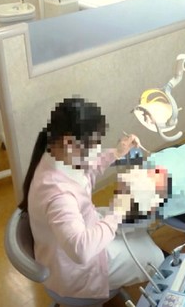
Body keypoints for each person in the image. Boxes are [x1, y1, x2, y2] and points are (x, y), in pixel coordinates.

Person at [19, 97, 165, 300]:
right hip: (76, 269)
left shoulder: (55, 154)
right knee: (156, 258)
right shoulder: (58, 195)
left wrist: (116, 153)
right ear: (69, 143)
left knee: (137, 224)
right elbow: (81, 250)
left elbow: (85, 172)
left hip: (79, 230)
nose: (98, 149)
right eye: (94, 144)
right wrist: (117, 213)